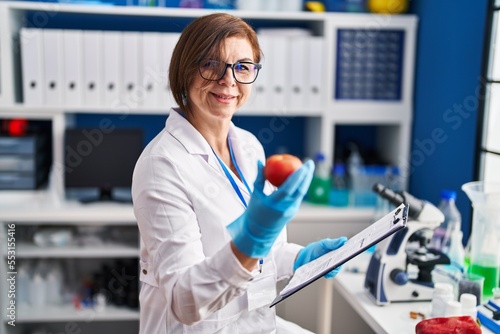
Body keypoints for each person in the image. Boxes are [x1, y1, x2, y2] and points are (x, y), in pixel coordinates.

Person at [131, 13, 347, 334]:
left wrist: (303, 259)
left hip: (256, 324)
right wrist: (254, 237)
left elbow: (263, 254)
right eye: (212, 65)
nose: (229, 80)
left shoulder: (249, 147)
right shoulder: (162, 164)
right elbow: (185, 301)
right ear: (185, 71)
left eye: (243, 67)